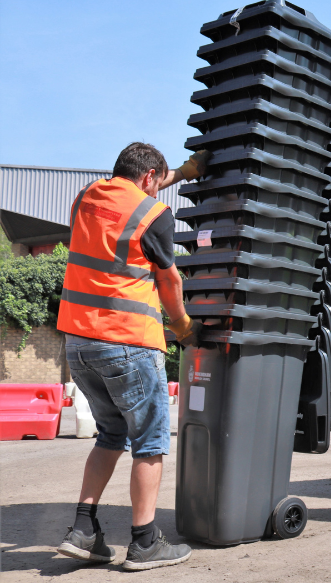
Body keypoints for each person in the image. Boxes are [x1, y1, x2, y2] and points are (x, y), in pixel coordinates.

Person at [55, 142, 208, 571]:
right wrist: (183, 327)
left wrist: (181, 172)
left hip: (79, 345)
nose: (158, 192)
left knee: (110, 435)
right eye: (157, 184)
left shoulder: (86, 199)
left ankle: (83, 531)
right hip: (128, 343)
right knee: (150, 441)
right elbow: (169, 281)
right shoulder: (154, 215)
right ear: (147, 179)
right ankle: (144, 541)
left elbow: (132, 194)